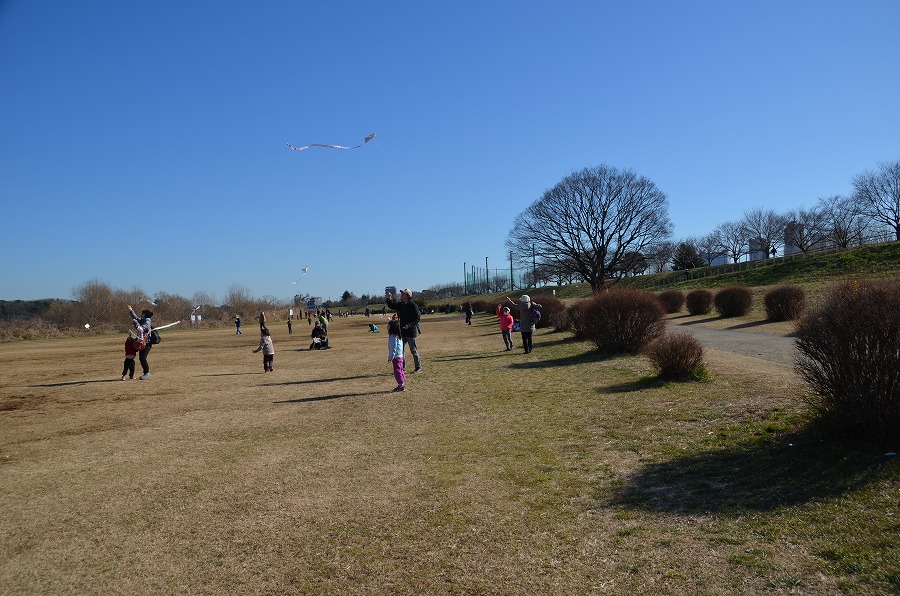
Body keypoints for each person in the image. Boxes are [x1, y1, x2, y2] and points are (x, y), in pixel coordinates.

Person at [385, 288, 422, 372]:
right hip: (402, 332)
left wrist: (409, 325)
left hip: (411, 332)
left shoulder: (413, 305)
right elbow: (391, 305)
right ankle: (402, 368)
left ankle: (418, 367)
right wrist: (389, 298)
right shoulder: (401, 305)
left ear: (408, 296)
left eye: (403, 294)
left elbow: (417, 318)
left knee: (413, 351)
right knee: (401, 351)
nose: (401, 295)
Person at [128, 305, 154, 379]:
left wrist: (135, 323)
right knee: (141, 358)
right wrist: (131, 310)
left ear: (145, 314)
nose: (141, 315)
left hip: (147, 343)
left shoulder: (147, 322)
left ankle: (147, 373)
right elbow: (136, 318)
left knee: (142, 358)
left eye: (142, 313)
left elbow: (141, 329)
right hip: (143, 342)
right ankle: (146, 373)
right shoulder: (144, 319)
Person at [387, 319, 406, 392]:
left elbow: (393, 348)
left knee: (397, 371)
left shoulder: (393, 336)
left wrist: (390, 357)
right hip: (400, 356)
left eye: (388, 326)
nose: (387, 327)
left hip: (396, 357)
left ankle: (401, 386)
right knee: (400, 370)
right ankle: (401, 384)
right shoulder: (398, 336)